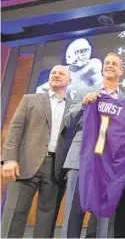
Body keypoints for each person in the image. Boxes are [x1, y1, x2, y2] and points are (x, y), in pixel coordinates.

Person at [1, 65, 71, 238]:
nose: (56, 75)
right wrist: (8, 159)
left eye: (61, 73)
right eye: (53, 72)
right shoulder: (30, 99)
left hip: (56, 168)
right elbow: (15, 128)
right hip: (26, 163)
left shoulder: (73, 108)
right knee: (14, 214)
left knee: (47, 221)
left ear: (70, 81)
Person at [61, 53, 125, 238]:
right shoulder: (84, 92)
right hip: (80, 157)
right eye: (107, 63)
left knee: (103, 214)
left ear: (121, 70)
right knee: (73, 212)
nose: (110, 66)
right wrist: (83, 104)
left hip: (107, 163)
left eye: (114, 64)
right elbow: (67, 121)